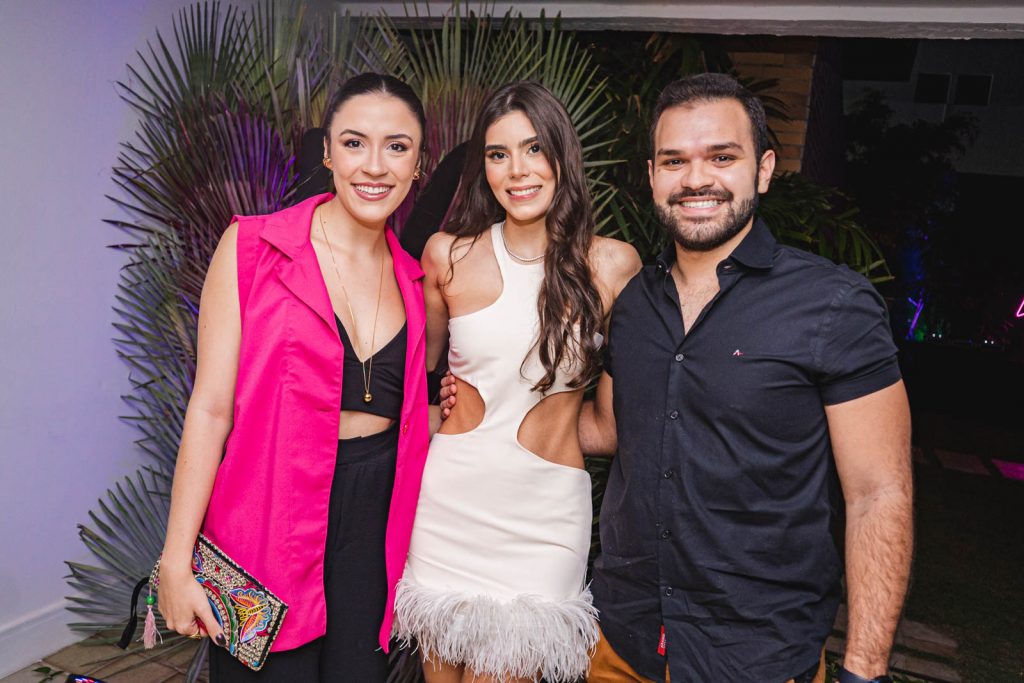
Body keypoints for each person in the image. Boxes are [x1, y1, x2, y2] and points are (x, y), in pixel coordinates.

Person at [441, 73, 913, 683]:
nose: (696, 179)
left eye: (722, 156)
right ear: (653, 175)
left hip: (758, 659)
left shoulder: (831, 306)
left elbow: (880, 494)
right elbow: (604, 428)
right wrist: (483, 404)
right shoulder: (629, 301)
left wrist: (864, 670)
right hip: (618, 643)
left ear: (763, 169)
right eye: (675, 161)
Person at [156, 73, 433, 682]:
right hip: (263, 529)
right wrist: (175, 562)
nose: (375, 166)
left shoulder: (418, 283)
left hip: (373, 542)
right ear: (329, 151)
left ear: (418, 164)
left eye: (398, 146)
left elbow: (416, 413)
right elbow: (209, 410)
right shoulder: (253, 248)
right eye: (355, 143)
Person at [393, 81, 641, 683]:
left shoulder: (612, 265)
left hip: (544, 520)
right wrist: (434, 411)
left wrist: (551, 421)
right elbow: (408, 376)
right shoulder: (446, 257)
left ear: (562, 156)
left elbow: (612, 427)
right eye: (498, 154)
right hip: (451, 505)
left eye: (534, 149)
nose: (517, 170)